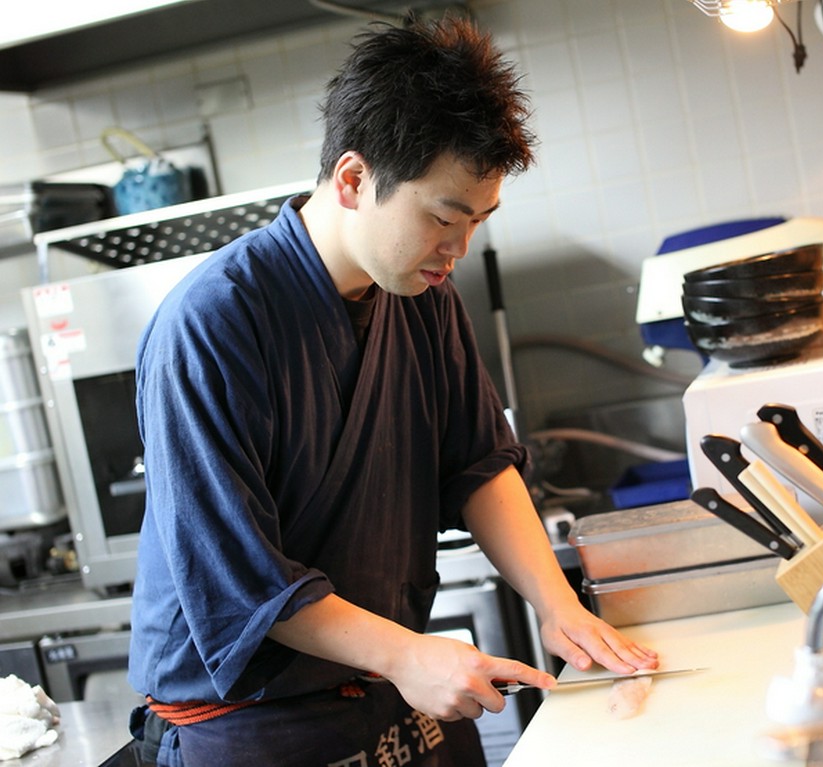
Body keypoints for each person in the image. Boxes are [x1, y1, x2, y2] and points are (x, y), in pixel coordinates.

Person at [127, 15, 658, 767]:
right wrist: (409, 655)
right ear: (353, 179)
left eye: (478, 221)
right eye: (443, 217)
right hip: (248, 720)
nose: (459, 247)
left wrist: (556, 603)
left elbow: (478, 462)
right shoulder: (212, 322)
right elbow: (241, 580)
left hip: (382, 683)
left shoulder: (423, 295)